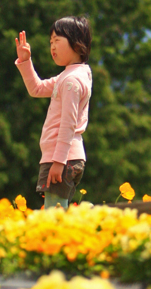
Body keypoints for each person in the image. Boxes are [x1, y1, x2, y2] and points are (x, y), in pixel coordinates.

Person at [15, 16, 93, 208]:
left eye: (57, 40)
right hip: (65, 156)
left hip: (62, 158)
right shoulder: (71, 75)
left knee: (54, 213)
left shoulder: (70, 81)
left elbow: (68, 124)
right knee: (58, 208)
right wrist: (25, 61)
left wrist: (58, 162)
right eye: (51, 42)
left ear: (77, 44)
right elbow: (37, 89)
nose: (52, 47)